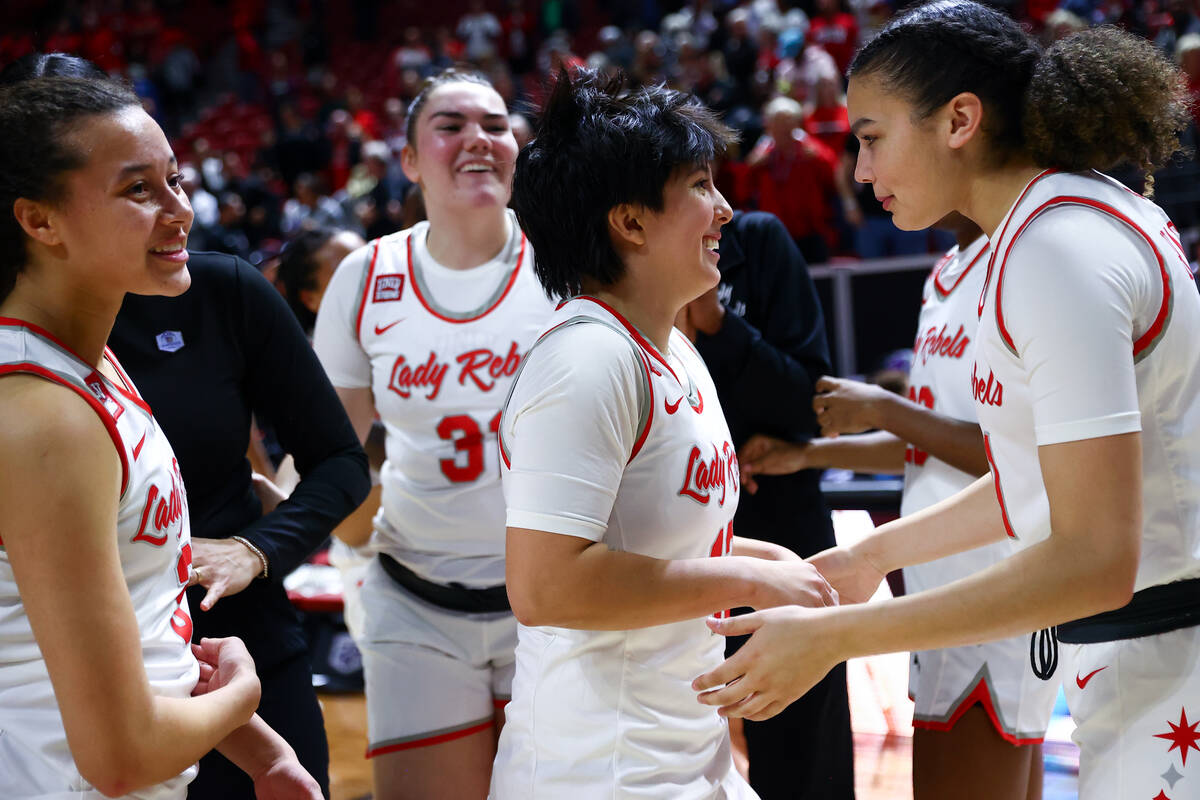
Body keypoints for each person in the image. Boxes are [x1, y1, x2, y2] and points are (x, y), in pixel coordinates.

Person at [692, 5, 1200, 799]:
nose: (860, 170)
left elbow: (1097, 560)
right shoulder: (1056, 223)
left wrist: (837, 635)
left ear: (960, 119)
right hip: (1144, 653)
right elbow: (1033, 477)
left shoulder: (1055, 246)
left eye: (871, 136)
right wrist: (868, 558)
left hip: (1171, 655)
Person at [490, 69, 837, 799]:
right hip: (598, 772)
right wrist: (750, 577)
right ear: (631, 221)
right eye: (702, 186)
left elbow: (653, 542)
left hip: (684, 749)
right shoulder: (586, 361)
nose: (726, 209)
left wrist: (771, 558)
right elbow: (547, 585)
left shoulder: (675, 348)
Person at [0, 73, 321, 799]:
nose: (179, 210)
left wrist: (262, 753)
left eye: (175, 180)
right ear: (40, 220)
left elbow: (142, 621)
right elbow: (119, 756)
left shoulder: (88, 360)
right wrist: (242, 692)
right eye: (138, 191)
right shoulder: (42, 416)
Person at [742, 213, 1062, 799]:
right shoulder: (944, 273)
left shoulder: (1020, 263)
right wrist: (805, 455)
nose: (865, 172)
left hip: (993, 582)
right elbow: (929, 443)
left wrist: (884, 409)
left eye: (875, 138)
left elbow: (1022, 462)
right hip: (937, 586)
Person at [313, 68, 556, 800]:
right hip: (416, 605)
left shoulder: (571, 264)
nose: (478, 139)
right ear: (411, 161)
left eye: (494, 124)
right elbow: (331, 455)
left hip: (553, 604)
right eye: (450, 126)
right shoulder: (364, 277)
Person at [675, 210, 855, 799]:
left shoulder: (759, 242)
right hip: (675, 550)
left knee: (803, 757)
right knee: (680, 746)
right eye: (696, 184)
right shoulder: (614, 285)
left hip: (779, 527)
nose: (717, 203)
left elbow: (813, 406)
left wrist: (717, 321)